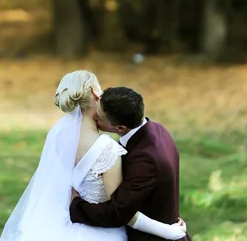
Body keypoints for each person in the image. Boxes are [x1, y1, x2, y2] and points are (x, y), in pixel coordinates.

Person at [0, 71, 186, 241]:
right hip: (101, 230)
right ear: (96, 94)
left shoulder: (60, 136)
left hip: (61, 224)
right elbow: (120, 212)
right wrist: (166, 231)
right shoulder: (108, 149)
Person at [70, 85, 192, 241]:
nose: (94, 117)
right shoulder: (157, 129)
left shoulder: (145, 161)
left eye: (99, 118)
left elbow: (117, 213)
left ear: (120, 127)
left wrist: (75, 206)